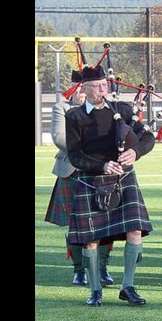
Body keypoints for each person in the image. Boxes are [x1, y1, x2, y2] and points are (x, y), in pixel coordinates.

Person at [65, 64, 154, 306]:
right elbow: (75, 155)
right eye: (98, 87)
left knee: (134, 230)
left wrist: (135, 152)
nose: (103, 90)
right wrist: (102, 166)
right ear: (85, 88)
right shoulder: (75, 116)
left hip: (123, 178)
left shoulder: (122, 111)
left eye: (105, 85)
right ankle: (95, 290)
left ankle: (128, 286)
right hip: (93, 180)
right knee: (91, 238)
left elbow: (148, 137)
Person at [45, 70, 111, 285]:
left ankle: (101, 269)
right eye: (80, 89)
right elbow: (59, 137)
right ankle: (79, 270)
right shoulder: (62, 108)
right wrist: (89, 150)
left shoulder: (105, 106)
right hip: (72, 170)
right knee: (75, 223)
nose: (83, 93)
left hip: (100, 171)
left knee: (104, 220)